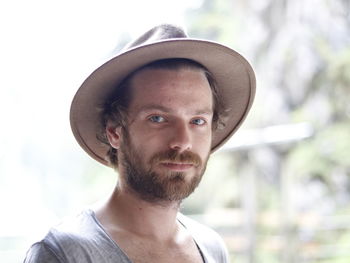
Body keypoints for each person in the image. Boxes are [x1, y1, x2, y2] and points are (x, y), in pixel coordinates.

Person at [24, 24, 255, 263]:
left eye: (197, 121)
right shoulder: (65, 254)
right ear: (114, 131)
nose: (183, 142)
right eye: (158, 118)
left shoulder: (211, 248)